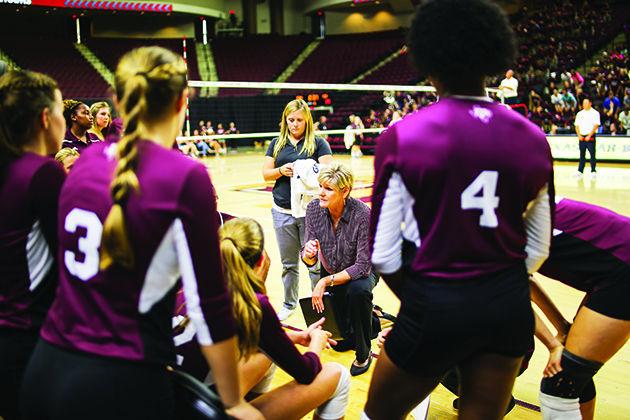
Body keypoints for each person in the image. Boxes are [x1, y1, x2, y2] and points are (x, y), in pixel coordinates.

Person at [20, 46, 261, 420]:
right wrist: (233, 401)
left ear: (117, 101)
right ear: (184, 101)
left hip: (45, 368)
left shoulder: (82, 165)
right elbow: (209, 305)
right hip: (120, 383)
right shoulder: (186, 176)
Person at [364, 1, 554, 419]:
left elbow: (383, 253)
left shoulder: (403, 136)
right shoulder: (533, 138)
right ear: (492, 55)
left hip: (436, 303)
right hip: (507, 308)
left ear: (428, 59)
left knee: (377, 414)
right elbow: (538, 249)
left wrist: (425, 302)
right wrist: (497, 285)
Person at [175, 218, 351, 419]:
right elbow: (307, 372)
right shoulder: (253, 304)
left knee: (266, 355)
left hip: (165, 404)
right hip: (202, 411)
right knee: (338, 376)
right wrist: (316, 344)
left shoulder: (186, 288)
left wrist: (293, 338)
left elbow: (258, 343)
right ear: (261, 261)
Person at [0, 69, 66, 420]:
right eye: (60, 110)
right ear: (45, 118)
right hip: (29, 338)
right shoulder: (43, 173)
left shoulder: (10, 167)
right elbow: (71, 260)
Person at [532, 197, 630, 420]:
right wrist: (561, 327)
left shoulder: (483, 225)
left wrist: (552, 344)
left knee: (561, 382)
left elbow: (511, 295)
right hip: (614, 270)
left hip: (622, 270)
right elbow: (521, 282)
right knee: (573, 375)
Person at [302, 163, 379, 376]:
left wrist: (325, 281)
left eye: (328, 188)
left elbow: (363, 266)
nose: (321, 192)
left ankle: (364, 352)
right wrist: (308, 254)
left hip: (362, 270)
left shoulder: (362, 213)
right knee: (341, 323)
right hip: (332, 268)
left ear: (345, 191)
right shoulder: (313, 209)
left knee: (358, 292)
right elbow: (308, 256)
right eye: (320, 186)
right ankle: (367, 321)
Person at [262, 99, 333, 321]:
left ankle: (319, 303)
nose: (294, 124)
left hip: (310, 213)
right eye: (291, 120)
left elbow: (329, 173)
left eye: (299, 120)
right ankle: (289, 303)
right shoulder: (276, 143)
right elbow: (266, 173)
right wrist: (281, 170)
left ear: (307, 121)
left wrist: (309, 172)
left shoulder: (318, 143)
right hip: (281, 210)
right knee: (288, 263)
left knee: (314, 261)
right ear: (285, 120)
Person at [574, 98, 600, 178]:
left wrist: (589, 135)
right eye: (583, 103)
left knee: (592, 154)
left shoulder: (595, 113)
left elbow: (596, 125)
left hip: (590, 136)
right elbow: (576, 125)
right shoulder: (579, 113)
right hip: (581, 137)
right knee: (582, 154)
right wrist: (579, 135)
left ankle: (593, 170)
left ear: (590, 103)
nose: (584, 105)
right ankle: (580, 171)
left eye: (586, 103)